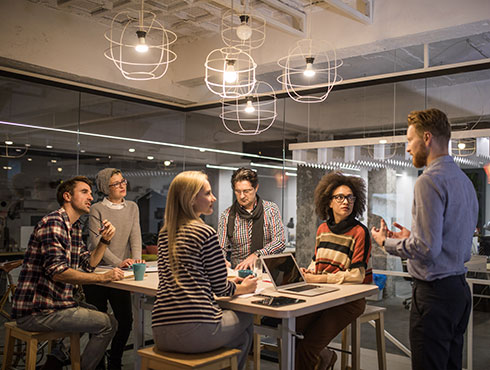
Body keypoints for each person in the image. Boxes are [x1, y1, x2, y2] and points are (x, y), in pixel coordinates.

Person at [371, 108, 478, 370]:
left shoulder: (428, 181)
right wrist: (412, 236)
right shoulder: (464, 182)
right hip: (458, 292)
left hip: (434, 297)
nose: (408, 148)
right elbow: (446, 239)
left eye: (409, 140)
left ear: (426, 137)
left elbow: (427, 248)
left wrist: (387, 243)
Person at [11, 176, 124, 370]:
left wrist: (105, 241)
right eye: (84, 192)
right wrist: (103, 277)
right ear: (67, 196)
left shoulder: (74, 227)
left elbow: (88, 264)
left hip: (56, 305)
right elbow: (58, 272)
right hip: (37, 311)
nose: (91, 197)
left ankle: (54, 361)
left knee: (95, 313)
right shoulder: (54, 223)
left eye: (91, 192)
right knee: (109, 323)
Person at [152, 171, 257, 370]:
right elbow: (222, 290)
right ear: (191, 199)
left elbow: (191, 275)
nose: (213, 198)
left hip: (160, 331)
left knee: (241, 338)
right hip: (195, 330)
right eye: (208, 193)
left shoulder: (165, 233)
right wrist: (246, 287)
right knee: (247, 319)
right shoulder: (205, 232)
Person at [298, 171, 372, 370]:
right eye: (339, 197)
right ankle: (325, 356)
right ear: (329, 202)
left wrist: (320, 279)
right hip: (323, 296)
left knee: (306, 348)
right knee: (291, 330)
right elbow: (317, 261)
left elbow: (357, 276)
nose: (345, 201)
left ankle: (323, 356)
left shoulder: (360, 232)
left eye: (350, 197)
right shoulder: (322, 229)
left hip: (349, 301)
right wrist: (309, 272)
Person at [83, 168, 144, 370]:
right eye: (116, 183)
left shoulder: (133, 207)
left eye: (123, 181)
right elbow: (96, 242)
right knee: (98, 323)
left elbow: (136, 236)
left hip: (120, 275)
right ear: (104, 188)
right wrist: (118, 262)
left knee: (125, 321)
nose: (122, 185)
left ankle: (115, 361)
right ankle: (97, 364)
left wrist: (136, 261)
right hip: (98, 273)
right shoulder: (96, 209)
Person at [218, 167, 285, 270]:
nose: (242, 196)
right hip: (239, 274)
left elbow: (279, 242)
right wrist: (221, 260)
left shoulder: (270, 210)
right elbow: (220, 247)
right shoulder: (227, 216)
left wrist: (257, 255)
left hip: (266, 273)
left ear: (256, 188)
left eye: (246, 191)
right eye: (237, 191)